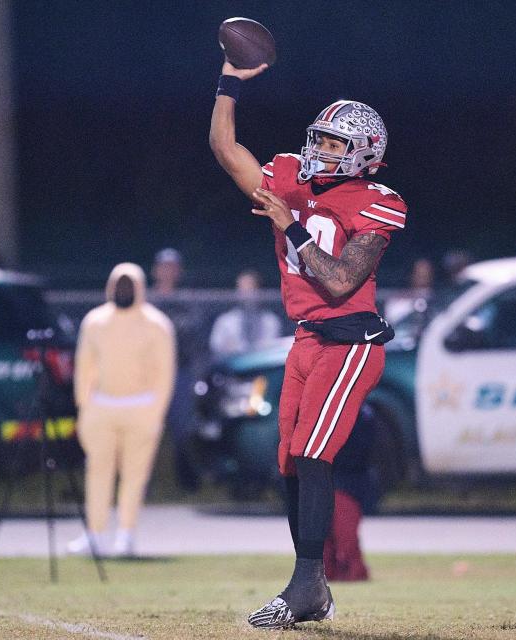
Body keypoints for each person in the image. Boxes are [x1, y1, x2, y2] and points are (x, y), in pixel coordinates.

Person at [210, 59, 407, 628]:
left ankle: (304, 587)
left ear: (364, 151)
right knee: (291, 465)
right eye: (317, 136)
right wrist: (230, 82)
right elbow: (226, 148)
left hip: (350, 343)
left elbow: (342, 280)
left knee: (314, 456)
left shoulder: (376, 201)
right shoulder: (293, 177)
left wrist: (290, 224)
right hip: (305, 339)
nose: (318, 147)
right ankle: (312, 585)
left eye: (332, 141)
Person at [68, 263, 175, 557]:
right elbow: (84, 366)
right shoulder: (95, 322)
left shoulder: (157, 325)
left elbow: (164, 373)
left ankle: (126, 535)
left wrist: (156, 412)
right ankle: (94, 534)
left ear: (139, 288)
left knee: (134, 476)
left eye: (129, 285)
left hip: (141, 408)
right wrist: (84, 406)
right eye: (119, 285)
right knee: (97, 472)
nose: (123, 291)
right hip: (101, 407)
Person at [148, 248, 208, 491]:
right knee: (147, 430)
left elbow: (192, 332)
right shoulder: (147, 299)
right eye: (164, 266)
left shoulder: (186, 300)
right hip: (149, 374)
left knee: (182, 428)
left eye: (173, 267)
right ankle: (144, 484)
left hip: (179, 371)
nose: (168, 271)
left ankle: (187, 483)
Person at [209, 269, 284, 358]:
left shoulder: (270, 321)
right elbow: (216, 347)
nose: (246, 295)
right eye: (242, 289)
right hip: (231, 368)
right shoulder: (225, 321)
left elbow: (271, 349)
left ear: (259, 290)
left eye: (250, 289)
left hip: (261, 367)